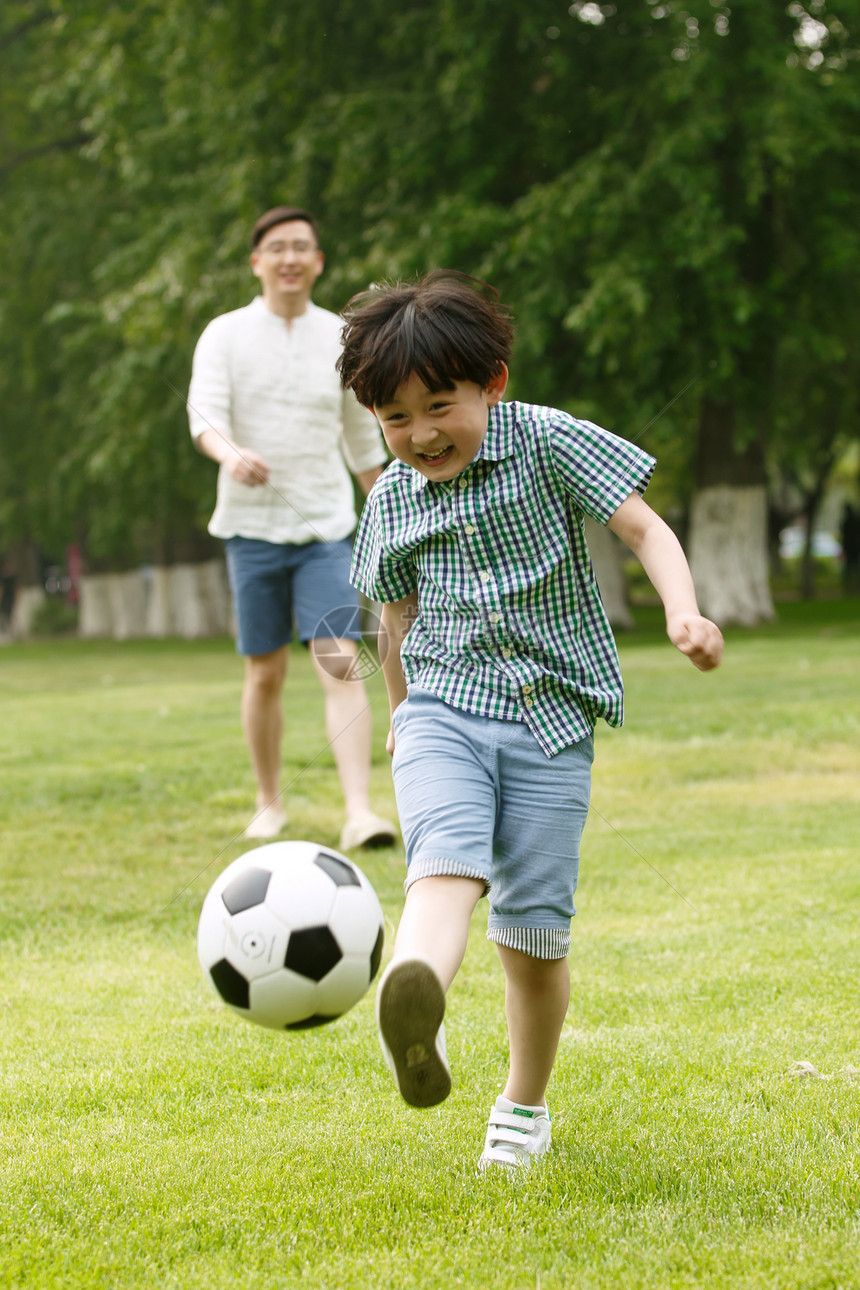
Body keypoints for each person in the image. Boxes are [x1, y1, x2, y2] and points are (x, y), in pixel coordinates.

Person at [337, 270, 724, 1170]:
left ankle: (523, 1104)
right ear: (375, 422)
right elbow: (393, 618)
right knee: (443, 866)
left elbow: (644, 530)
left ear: (493, 384)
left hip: (552, 723)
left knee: (534, 936)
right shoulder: (392, 498)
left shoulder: (547, 441)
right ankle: (417, 989)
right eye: (396, 420)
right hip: (443, 706)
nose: (422, 435)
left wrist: (683, 611)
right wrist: (400, 714)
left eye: (440, 406)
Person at [187, 205, 396, 850]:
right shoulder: (224, 334)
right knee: (265, 673)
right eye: (277, 248)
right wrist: (231, 455)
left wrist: (392, 505)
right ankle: (267, 802)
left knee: (338, 661)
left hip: (326, 528)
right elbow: (205, 418)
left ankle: (360, 812)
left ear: (318, 262)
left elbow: (365, 440)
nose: (290, 258)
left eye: (302, 247)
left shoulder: (341, 338)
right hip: (249, 530)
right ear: (257, 262)